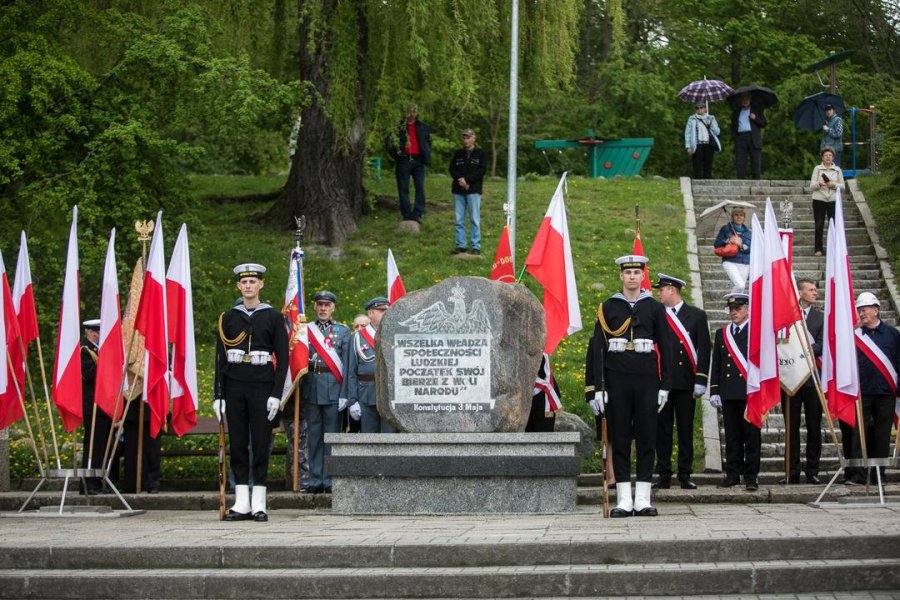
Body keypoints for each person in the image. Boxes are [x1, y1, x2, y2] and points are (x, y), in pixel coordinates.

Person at [585, 255, 671, 518]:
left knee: (647, 436)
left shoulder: (654, 308)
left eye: (637, 272)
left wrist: (664, 385)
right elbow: (598, 350)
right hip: (617, 378)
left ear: (642, 276)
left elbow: (666, 347)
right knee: (620, 436)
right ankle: (623, 498)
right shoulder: (608, 307)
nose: (632, 276)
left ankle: (643, 498)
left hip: (646, 378)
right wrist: (597, 387)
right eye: (628, 272)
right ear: (621, 276)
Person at [213, 263, 289, 522]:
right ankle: (241, 502)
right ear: (238, 286)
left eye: (252, 282)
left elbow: (283, 359)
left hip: (261, 386)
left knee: (259, 444)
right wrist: (218, 395)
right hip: (234, 386)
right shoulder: (228, 318)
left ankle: (259, 502)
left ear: (261, 285)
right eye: (244, 282)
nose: (248, 286)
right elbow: (219, 361)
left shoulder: (273, 317)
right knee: (238, 445)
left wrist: (276, 394)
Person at [651, 274, 710, 490]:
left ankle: (685, 473)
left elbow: (704, 349)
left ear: (673, 290)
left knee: (685, 429)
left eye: (662, 289)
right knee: (662, 431)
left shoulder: (696, 315)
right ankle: (663, 473)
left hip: (686, 383)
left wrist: (701, 379)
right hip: (662, 384)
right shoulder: (657, 315)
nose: (659, 293)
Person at [844, 292, 900, 485]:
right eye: (859, 310)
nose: (861, 313)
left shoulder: (893, 334)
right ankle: (858, 475)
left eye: (865, 309)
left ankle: (878, 474)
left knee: (882, 435)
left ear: (876, 310)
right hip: (862, 392)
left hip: (885, 392)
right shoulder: (855, 335)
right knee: (859, 434)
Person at [301, 290, 351, 493]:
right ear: (314, 307)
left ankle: (329, 480)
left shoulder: (343, 331)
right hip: (311, 387)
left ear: (333, 308)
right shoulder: (305, 330)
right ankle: (315, 480)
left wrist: (346, 393)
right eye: (319, 304)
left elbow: (347, 365)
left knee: (331, 436)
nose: (323, 308)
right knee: (313, 437)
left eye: (327, 305)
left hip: (333, 388)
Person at [709, 293, 760, 491]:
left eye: (738, 309)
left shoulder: (756, 332)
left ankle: (751, 476)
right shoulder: (722, 333)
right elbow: (718, 364)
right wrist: (714, 390)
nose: (733, 313)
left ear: (747, 309)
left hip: (749, 392)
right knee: (732, 436)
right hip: (729, 392)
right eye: (731, 309)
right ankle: (732, 474)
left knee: (751, 436)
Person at [780, 278, 823, 485]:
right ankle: (791, 470)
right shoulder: (786, 316)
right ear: (800, 292)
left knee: (814, 426)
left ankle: (812, 470)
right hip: (790, 378)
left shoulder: (820, 318)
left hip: (813, 378)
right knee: (792, 427)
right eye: (811, 290)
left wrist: (804, 351)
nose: (815, 293)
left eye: (816, 290)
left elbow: (823, 344)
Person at [343, 297, 396, 433]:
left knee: (390, 439)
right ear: (370, 313)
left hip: (390, 395)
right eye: (381, 310)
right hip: (366, 394)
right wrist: (353, 400)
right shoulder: (357, 338)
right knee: (369, 440)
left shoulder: (394, 334)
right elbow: (351, 371)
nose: (385, 313)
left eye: (387, 310)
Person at [386, 104, 431, 223]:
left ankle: (417, 213)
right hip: (404, 160)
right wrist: (398, 157)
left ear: (416, 112)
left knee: (420, 187)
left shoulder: (423, 126)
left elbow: (428, 142)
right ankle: (406, 214)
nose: (411, 114)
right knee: (403, 188)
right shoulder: (398, 127)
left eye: (414, 111)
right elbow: (389, 144)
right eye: (409, 111)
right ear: (405, 112)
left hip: (418, 160)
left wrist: (426, 155)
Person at [80, 319, 110, 495]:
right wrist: (108, 364)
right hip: (92, 407)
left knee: (101, 446)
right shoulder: (85, 351)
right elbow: (90, 374)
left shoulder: (98, 351)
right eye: (98, 333)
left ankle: (97, 483)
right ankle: (88, 484)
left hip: (103, 407)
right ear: (91, 333)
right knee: (92, 447)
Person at [449, 128, 487, 255]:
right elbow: (452, 169)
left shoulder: (480, 154)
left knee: (474, 219)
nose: (466, 140)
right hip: (458, 190)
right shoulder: (458, 154)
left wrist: (467, 181)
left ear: (473, 138)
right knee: (459, 219)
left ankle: (476, 246)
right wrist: (461, 180)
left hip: (473, 190)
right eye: (464, 138)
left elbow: (481, 171)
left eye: (468, 137)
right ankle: (461, 245)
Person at [809, 146, 845, 257]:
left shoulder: (838, 170)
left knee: (833, 225)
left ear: (833, 157)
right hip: (819, 199)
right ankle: (818, 249)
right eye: (826, 155)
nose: (828, 157)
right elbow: (811, 186)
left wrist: (834, 185)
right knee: (819, 225)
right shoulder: (817, 169)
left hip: (833, 200)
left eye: (830, 155)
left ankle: (833, 248)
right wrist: (819, 184)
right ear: (822, 157)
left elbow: (843, 187)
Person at [714, 207, 752, 293]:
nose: (739, 217)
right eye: (736, 215)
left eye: (741, 215)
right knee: (740, 285)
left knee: (741, 289)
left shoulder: (748, 233)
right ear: (732, 217)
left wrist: (740, 245)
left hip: (744, 263)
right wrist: (728, 240)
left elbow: (750, 250)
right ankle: (731, 302)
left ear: (744, 217)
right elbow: (717, 244)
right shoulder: (725, 229)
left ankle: (732, 305)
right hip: (729, 261)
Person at [730, 92, 767, 180]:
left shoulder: (757, 110)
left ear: (750, 100)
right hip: (741, 137)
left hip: (753, 137)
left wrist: (755, 118)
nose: (745, 101)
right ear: (741, 101)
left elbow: (764, 123)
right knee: (740, 161)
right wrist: (735, 137)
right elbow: (733, 126)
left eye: (747, 99)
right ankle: (741, 181)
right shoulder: (736, 112)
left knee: (755, 161)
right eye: (743, 99)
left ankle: (756, 182)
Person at [684, 102, 721, 180]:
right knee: (697, 165)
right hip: (697, 144)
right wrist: (688, 147)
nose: (699, 110)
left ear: (705, 108)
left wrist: (711, 125)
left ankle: (707, 181)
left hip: (708, 144)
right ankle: (697, 181)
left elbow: (717, 132)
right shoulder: (692, 119)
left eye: (701, 108)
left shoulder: (711, 118)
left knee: (708, 164)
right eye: (697, 108)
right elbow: (688, 133)